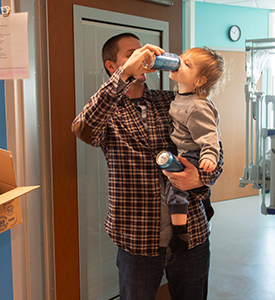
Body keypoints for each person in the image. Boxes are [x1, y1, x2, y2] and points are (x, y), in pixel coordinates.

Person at [72, 33, 223, 300]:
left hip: (191, 234)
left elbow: (214, 152)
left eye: (142, 51)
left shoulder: (173, 102)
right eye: (131, 54)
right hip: (137, 238)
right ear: (112, 66)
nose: (142, 57)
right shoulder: (108, 113)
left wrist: (199, 179)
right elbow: (83, 128)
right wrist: (126, 74)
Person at [164, 47, 224, 250]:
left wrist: (209, 156)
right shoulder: (180, 95)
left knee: (175, 187)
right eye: (180, 59)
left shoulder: (197, 106)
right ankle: (206, 205)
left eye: (186, 64)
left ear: (199, 82)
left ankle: (180, 233)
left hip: (194, 152)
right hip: (184, 149)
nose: (178, 63)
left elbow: (210, 135)